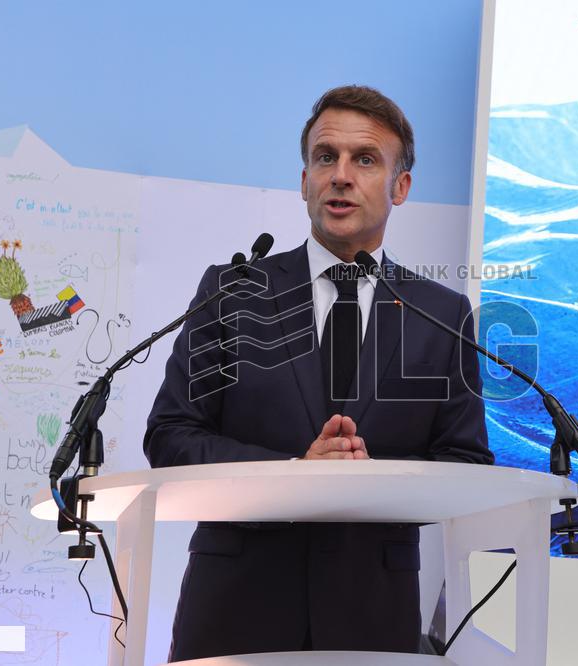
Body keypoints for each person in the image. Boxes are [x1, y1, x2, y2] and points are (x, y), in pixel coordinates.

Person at [144, 85, 493, 661]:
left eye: (365, 160)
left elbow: (467, 464)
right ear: (305, 180)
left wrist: (372, 481)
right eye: (326, 157)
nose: (341, 176)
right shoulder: (232, 292)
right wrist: (292, 473)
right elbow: (171, 436)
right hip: (235, 611)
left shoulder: (442, 315)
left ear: (400, 186)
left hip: (372, 621)